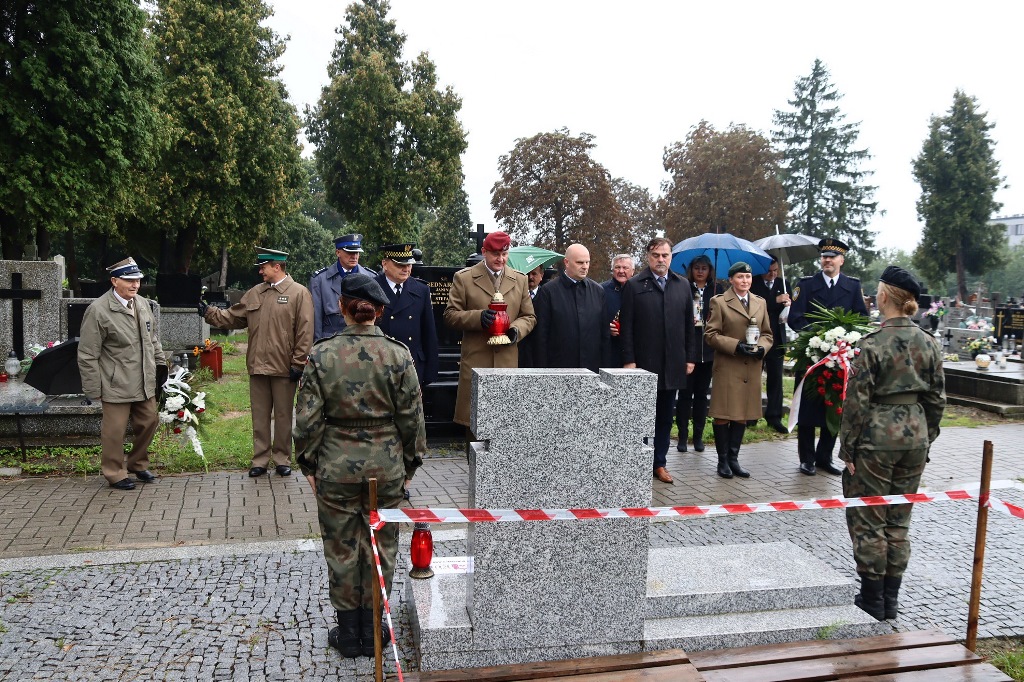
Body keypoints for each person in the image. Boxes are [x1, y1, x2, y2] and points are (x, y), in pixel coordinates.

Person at [294, 273, 425, 657]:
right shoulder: (398, 354)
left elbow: (306, 421)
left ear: (341, 307)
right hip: (385, 467)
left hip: (336, 466)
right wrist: (409, 466)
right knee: (381, 546)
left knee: (341, 547)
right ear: (379, 312)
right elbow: (413, 419)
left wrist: (309, 465)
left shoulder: (321, 354)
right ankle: (374, 631)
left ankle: (349, 633)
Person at [839, 266, 945, 621]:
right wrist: (925, 439)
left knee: (869, 517)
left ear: (884, 297)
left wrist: (848, 450)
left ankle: (872, 598)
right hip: (914, 438)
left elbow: (856, 403)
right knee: (898, 521)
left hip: (875, 441)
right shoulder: (930, 342)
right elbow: (937, 399)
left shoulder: (873, 344)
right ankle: (891, 599)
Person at [201, 247, 314, 478]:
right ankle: (260, 460)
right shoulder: (255, 293)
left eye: (263, 267)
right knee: (259, 415)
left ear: (277, 266)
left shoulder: (299, 293)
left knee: (283, 415)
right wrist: (208, 312)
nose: (260, 271)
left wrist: (298, 364)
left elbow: (305, 331)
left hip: (285, 367)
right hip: (258, 365)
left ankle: (282, 459)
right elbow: (233, 317)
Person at [78, 257, 168, 490]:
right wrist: (92, 388)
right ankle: (115, 473)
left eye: (137, 280)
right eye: (129, 280)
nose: (135, 284)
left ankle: (138, 463)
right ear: (114, 281)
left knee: (150, 421)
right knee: (114, 432)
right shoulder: (98, 310)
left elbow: (152, 339)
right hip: (115, 382)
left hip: (144, 379)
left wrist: (161, 365)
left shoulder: (142, 304)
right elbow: (87, 353)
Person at [788, 238, 869, 476]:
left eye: (832, 257)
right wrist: (819, 339)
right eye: (824, 256)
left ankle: (824, 456)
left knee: (833, 406)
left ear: (841, 261)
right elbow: (795, 317)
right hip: (812, 357)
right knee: (808, 409)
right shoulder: (806, 285)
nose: (827, 260)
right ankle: (807, 459)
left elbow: (861, 318)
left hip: (839, 359)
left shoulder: (852, 286)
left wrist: (843, 341)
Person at [620, 237, 697, 484]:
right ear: (648, 257)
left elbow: (689, 325)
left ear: (671, 256)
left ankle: (659, 463)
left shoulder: (682, 285)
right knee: (640, 416)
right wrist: (629, 359)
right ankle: (636, 462)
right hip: (644, 363)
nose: (661, 259)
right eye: (656, 255)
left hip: (673, 362)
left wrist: (690, 357)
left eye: (665, 255)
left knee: (665, 416)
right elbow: (627, 327)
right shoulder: (634, 285)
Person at [443, 231, 536, 429]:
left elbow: (529, 317)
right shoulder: (464, 278)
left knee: (505, 427)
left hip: (507, 363)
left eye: (504, 254)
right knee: (474, 426)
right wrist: (478, 318)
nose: (500, 259)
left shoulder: (519, 280)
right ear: (484, 252)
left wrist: (515, 330)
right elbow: (450, 315)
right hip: (477, 362)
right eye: (495, 254)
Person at [704, 262, 773, 479]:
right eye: (740, 277)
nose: (745, 281)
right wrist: (736, 346)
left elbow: (768, 334)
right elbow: (710, 335)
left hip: (751, 367)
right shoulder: (720, 302)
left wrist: (761, 347)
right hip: (728, 366)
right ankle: (722, 460)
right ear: (732, 279)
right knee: (724, 414)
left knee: (742, 414)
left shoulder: (760, 303)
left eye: (748, 277)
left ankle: (734, 459)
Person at [533, 244, 609, 371]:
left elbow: (604, 336)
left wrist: (605, 370)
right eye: (580, 262)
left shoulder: (598, 291)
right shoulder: (549, 291)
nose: (585, 267)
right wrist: (542, 372)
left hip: (591, 369)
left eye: (587, 262)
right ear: (566, 262)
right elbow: (541, 336)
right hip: (558, 369)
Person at [374, 243, 439, 386]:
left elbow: (429, 331)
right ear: (385, 264)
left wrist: (430, 371)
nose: (406, 268)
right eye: (400, 264)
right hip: (380, 365)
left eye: (409, 264)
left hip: (412, 365)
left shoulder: (421, 290)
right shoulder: (372, 288)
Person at [676, 255, 721, 453]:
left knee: (702, 396)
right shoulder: (684, 288)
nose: (700, 271)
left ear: (710, 270)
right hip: (688, 351)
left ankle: (698, 437)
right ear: (692, 270)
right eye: (697, 268)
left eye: (704, 268)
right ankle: (682, 436)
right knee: (685, 395)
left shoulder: (717, 291)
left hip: (708, 351)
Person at [750, 256, 791, 433]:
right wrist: (775, 301)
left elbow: (787, 310)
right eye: (769, 271)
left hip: (777, 338)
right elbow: (754, 307)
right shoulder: (753, 283)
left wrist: (789, 304)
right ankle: (750, 415)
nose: (773, 275)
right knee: (753, 377)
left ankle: (774, 416)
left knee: (776, 379)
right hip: (756, 336)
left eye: (776, 271)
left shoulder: (784, 284)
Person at [310, 233, 376, 342]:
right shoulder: (320, 280)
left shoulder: (371, 277)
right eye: (350, 252)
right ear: (338, 252)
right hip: (331, 342)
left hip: (364, 342)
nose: (354, 256)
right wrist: (317, 346)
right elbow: (316, 319)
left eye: (357, 252)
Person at [601, 254, 635, 368]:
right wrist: (606, 327)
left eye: (625, 268)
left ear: (633, 271)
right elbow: (591, 318)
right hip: (609, 352)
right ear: (612, 270)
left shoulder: (640, 290)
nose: (621, 271)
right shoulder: (600, 291)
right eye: (617, 267)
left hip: (634, 351)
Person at [517, 264, 546, 369]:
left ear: (541, 275)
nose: (530, 277)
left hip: (538, 350)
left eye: (534, 274)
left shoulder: (546, 296)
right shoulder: (516, 295)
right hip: (519, 348)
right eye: (527, 273)